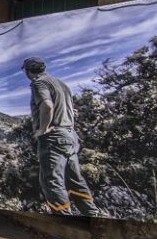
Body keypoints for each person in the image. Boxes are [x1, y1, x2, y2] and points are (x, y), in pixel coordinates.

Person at [22, 57, 102, 217]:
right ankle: (93, 215)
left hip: (54, 138)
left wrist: (43, 129)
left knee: (52, 181)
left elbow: (47, 105)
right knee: (75, 179)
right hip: (70, 135)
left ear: (29, 71)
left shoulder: (39, 83)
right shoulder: (62, 84)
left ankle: (63, 219)